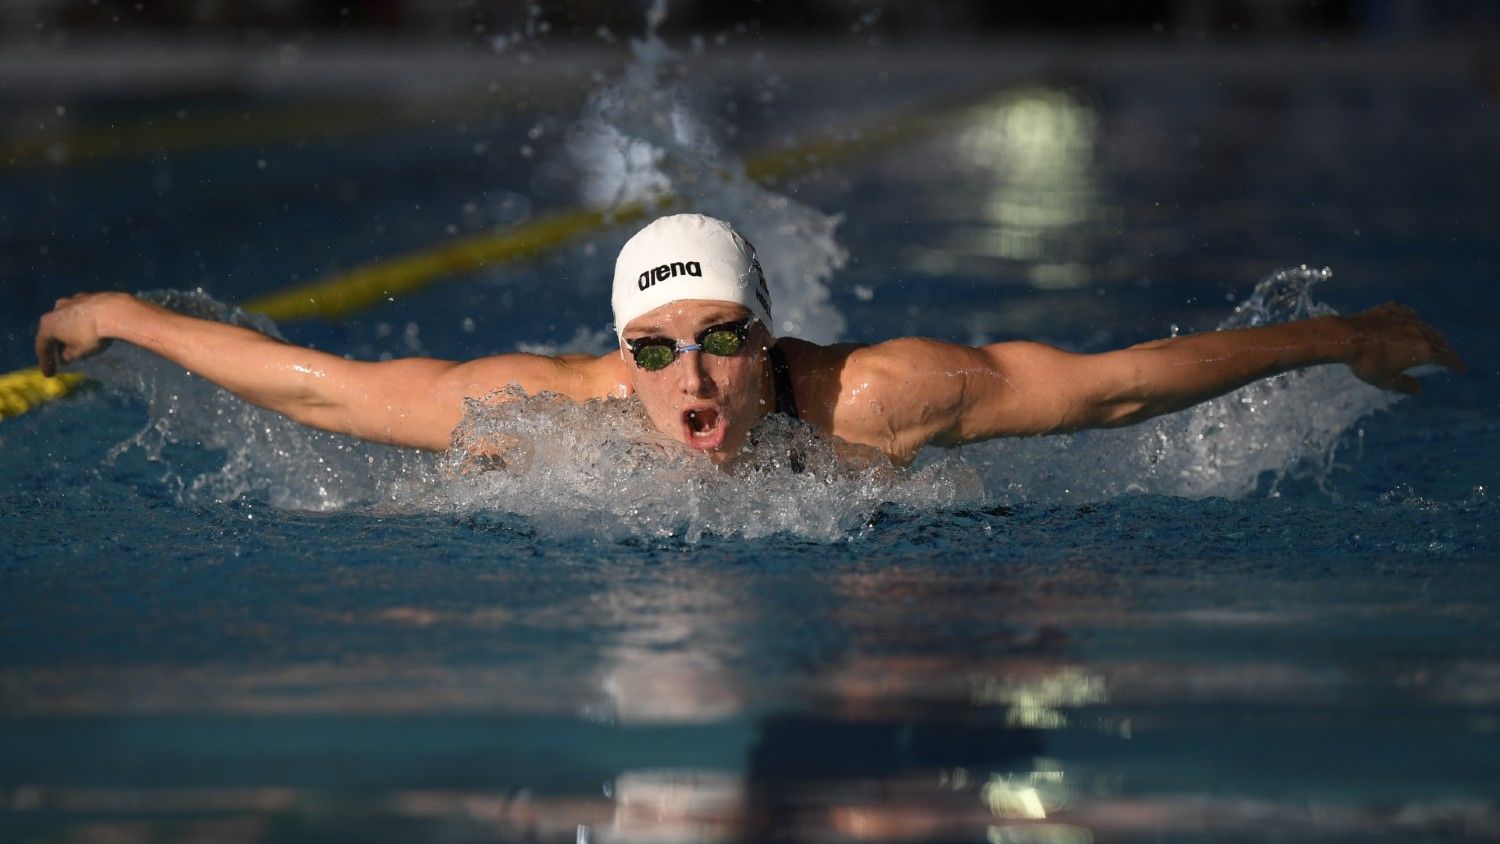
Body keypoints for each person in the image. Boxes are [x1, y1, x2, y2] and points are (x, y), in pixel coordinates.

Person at [35, 213, 1464, 467]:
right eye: (657, 351)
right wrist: (122, 320)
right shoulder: (551, 413)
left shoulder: (879, 401)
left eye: (724, 341)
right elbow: (326, 391)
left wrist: (1336, 335)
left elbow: (1109, 392)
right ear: (620, 357)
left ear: (774, 340)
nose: (696, 376)